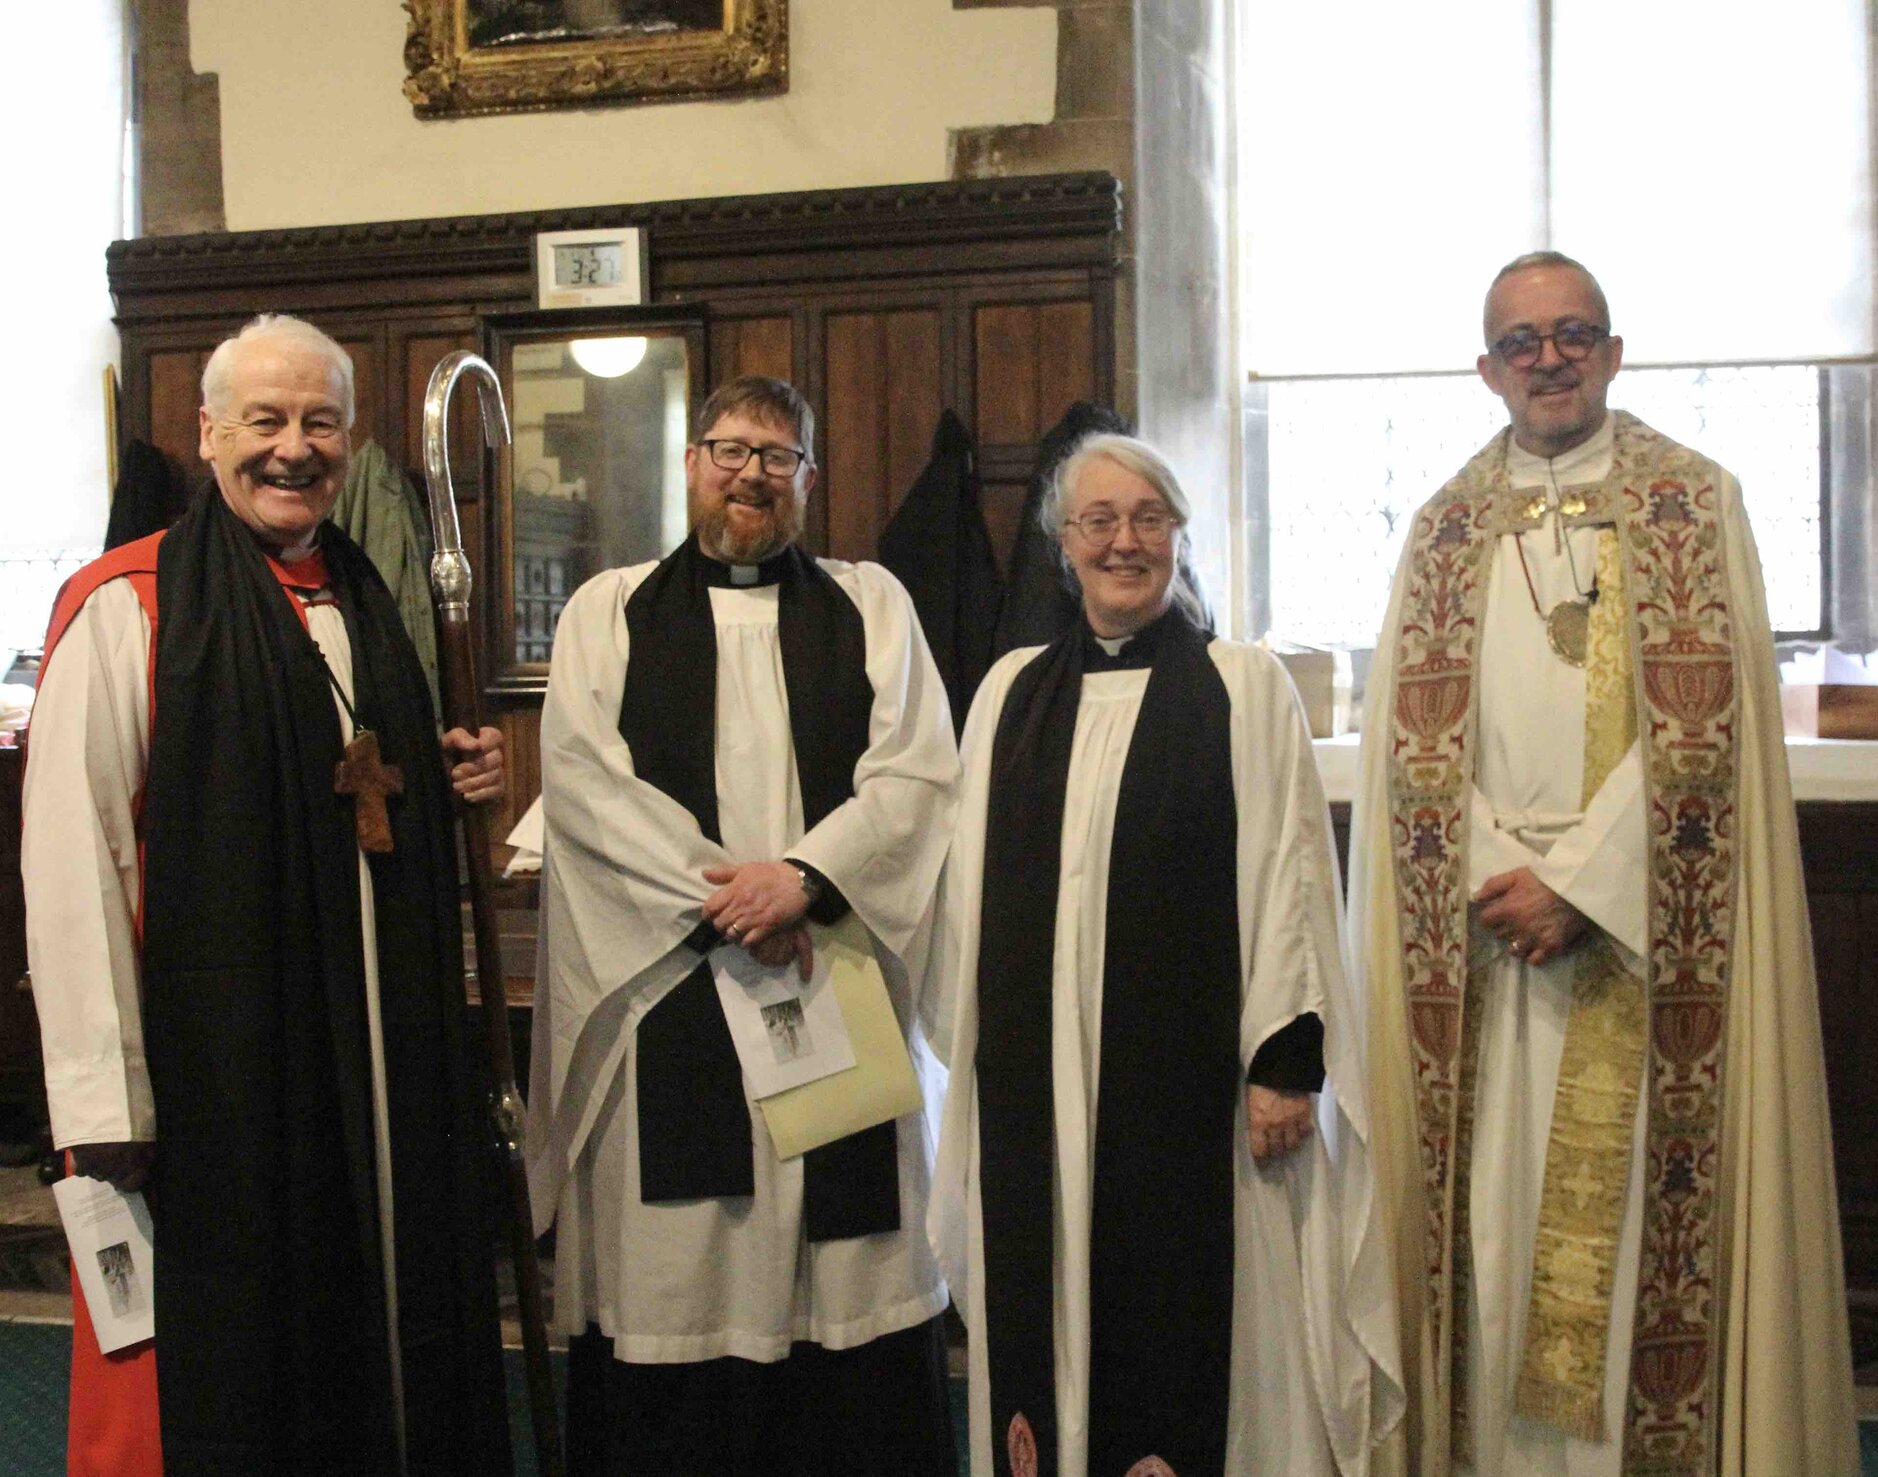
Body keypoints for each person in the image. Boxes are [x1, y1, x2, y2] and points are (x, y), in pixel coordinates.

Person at [1350, 252, 1859, 1476]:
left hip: (1639, 939)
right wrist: (1499, 882)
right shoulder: (1443, 525)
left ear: (1615, 351)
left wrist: (1578, 883)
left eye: (1573, 333)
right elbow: (1406, 746)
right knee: (1492, 1240)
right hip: (1482, 949)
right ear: (1486, 370)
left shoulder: (1696, 502)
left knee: (1637, 1240)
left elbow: (1713, 727)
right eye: (1521, 342)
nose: (1549, 359)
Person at [23, 313, 513, 1477]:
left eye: (321, 422)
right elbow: (73, 858)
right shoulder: (130, 605)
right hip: (220, 1079)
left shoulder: (365, 602)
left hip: (375, 1063)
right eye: (265, 420)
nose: (294, 447)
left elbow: (364, 791)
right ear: (207, 434)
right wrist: (105, 1097)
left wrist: (458, 786)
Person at [926, 432, 1402, 1477]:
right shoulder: (1010, 693)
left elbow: (1289, 877)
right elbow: (963, 900)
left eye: (1149, 519)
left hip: (1193, 1102)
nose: (1124, 542)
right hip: (1040, 1094)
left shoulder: (1241, 686)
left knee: (1206, 1352)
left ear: (1181, 538)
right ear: (1065, 544)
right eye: (1099, 520)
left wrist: (1283, 1059)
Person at [525, 374, 962, 1475]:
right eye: (729, 448)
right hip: (673, 987)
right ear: (690, 465)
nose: (751, 472)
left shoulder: (871, 603)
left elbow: (916, 774)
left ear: (808, 477)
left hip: (831, 973)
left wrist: (807, 880)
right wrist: (732, 897)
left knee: (847, 1267)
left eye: (778, 454)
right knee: (683, 1275)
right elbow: (585, 784)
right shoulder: (610, 609)